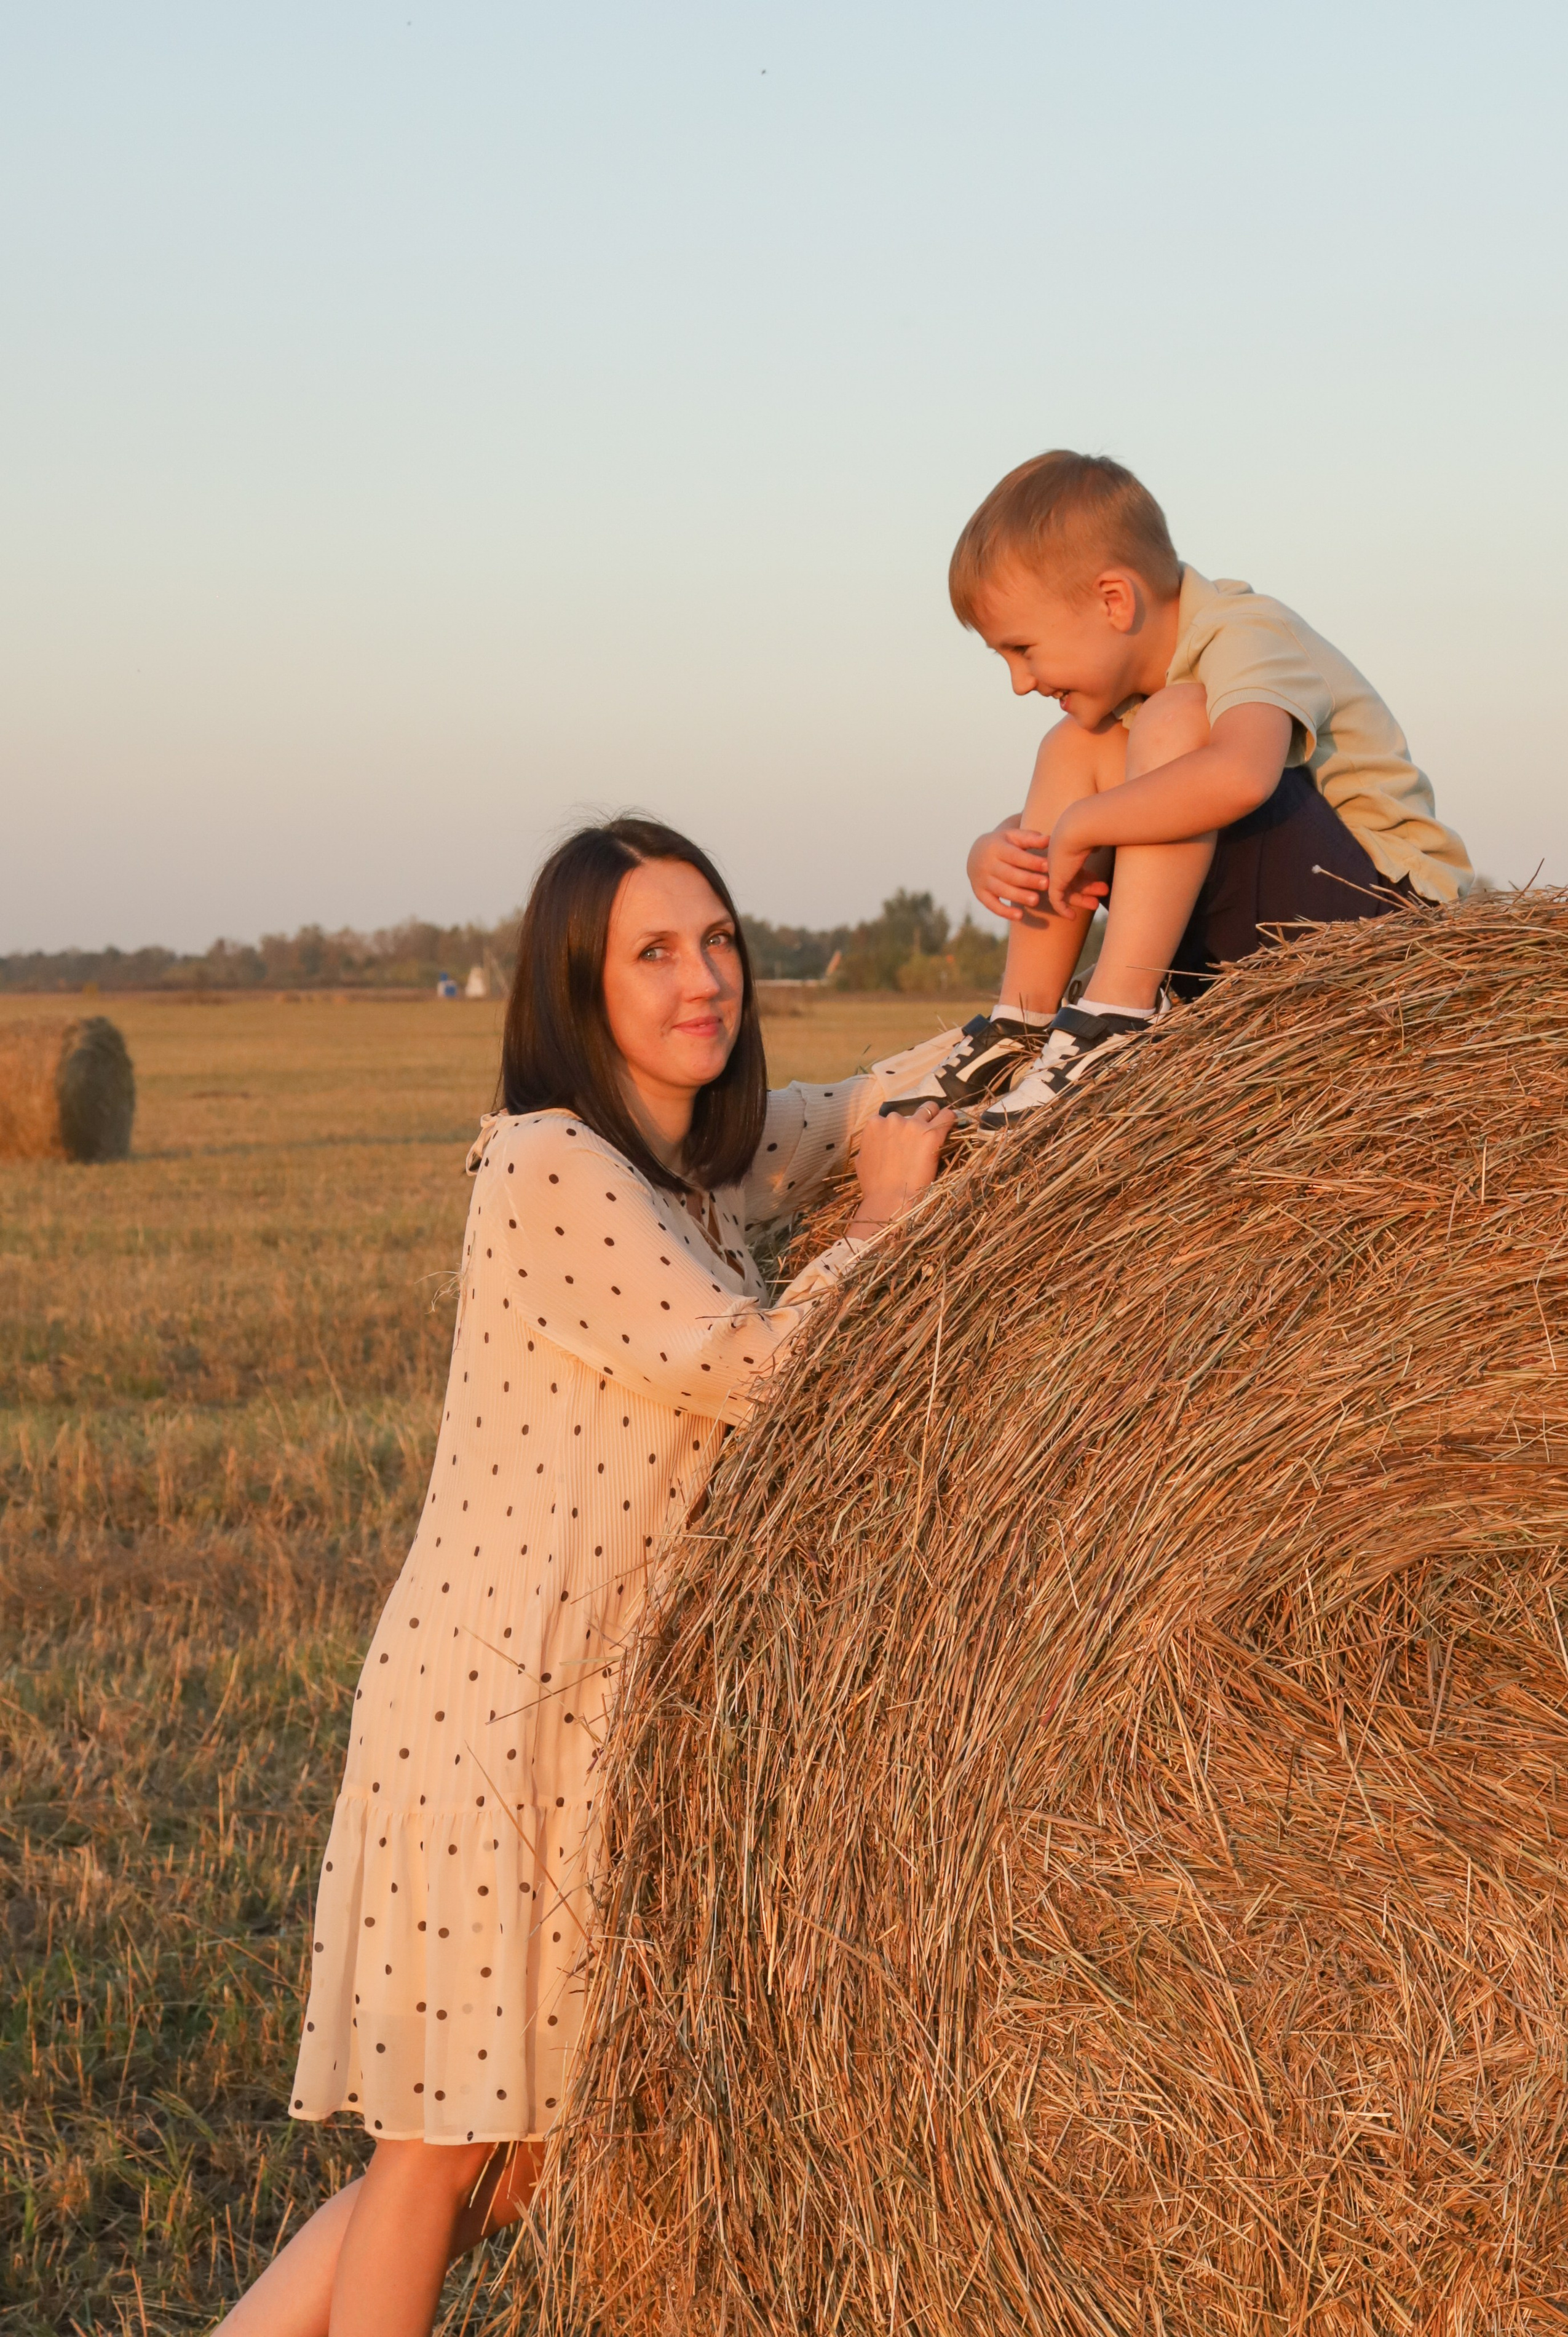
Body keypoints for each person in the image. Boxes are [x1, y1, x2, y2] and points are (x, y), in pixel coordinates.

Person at [217, 817, 956, 2337]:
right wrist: (882, 1220)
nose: (705, 980)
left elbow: (870, 1101)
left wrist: (1079, 1014)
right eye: (654, 952)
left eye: (720, 942)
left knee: (512, 2162)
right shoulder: (551, 1164)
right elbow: (753, 1365)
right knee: (444, 2152)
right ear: (576, 983)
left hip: (583, 1718)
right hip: (487, 1719)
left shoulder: (699, 1164)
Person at [883, 449, 1473, 1128]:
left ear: (1113, 600)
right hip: (1252, 945)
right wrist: (997, 847)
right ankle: (1024, 1025)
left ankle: (1113, 1022)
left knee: (1174, 719)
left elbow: (1239, 775)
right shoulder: (1136, 703)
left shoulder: (1243, 630)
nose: (1021, 682)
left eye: (1024, 649)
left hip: (1380, 930)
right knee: (1076, 743)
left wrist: (1081, 826)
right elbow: (1109, 806)